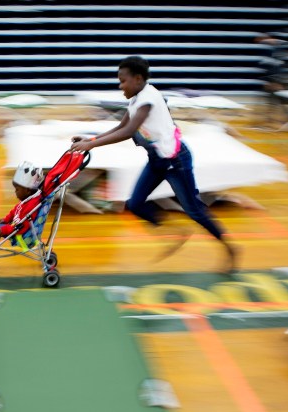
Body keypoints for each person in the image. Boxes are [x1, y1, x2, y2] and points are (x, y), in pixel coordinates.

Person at [70, 56, 238, 273]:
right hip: (158, 161)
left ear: (138, 79)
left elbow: (128, 131)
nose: (120, 86)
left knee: (195, 211)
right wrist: (90, 140)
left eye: (123, 81)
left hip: (176, 162)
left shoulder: (147, 99)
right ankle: (175, 233)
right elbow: (121, 126)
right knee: (134, 204)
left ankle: (230, 249)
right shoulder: (137, 97)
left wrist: (91, 146)